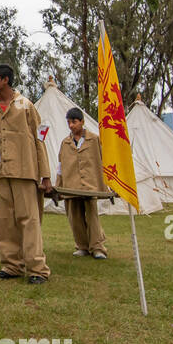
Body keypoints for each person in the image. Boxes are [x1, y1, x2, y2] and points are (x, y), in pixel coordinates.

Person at [0, 63, 52, 284]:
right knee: (4, 221)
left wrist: (46, 174)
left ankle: (37, 269)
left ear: (5, 80)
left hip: (25, 171)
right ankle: (11, 266)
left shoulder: (27, 106)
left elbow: (39, 140)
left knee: (29, 220)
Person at [55, 107, 108, 259]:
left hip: (89, 184)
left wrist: (106, 183)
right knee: (75, 216)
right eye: (69, 122)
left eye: (74, 122)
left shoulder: (94, 140)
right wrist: (58, 186)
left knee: (92, 216)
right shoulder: (65, 143)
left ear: (82, 122)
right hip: (71, 184)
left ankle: (97, 247)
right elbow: (60, 165)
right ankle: (82, 245)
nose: (71, 125)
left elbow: (103, 160)